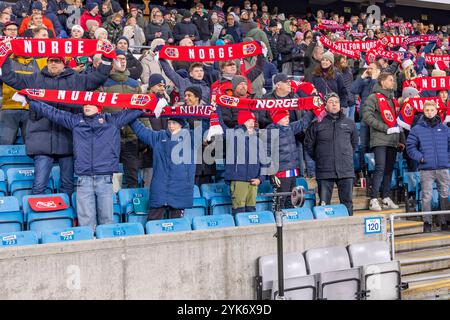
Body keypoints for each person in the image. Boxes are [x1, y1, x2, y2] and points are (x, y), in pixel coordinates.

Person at [0, 45, 113, 197]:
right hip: (41, 141)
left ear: (64, 63)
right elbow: (9, 76)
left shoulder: (76, 79)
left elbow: (99, 77)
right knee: (39, 185)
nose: (53, 64)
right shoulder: (35, 78)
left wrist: (107, 58)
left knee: (67, 184)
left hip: (67, 140)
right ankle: (38, 216)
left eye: (57, 61)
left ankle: (67, 217)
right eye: (51, 61)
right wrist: (4, 56)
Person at [25, 99, 143, 229]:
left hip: (105, 179)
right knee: (86, 224)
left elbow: (136, 110)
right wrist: (31, 101)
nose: (86, 106)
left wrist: (153, 101)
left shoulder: (111, 120)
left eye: (90, 104)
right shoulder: (75, 120)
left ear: (99, 107)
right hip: (83, 179)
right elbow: (53, 112)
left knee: (107, 221)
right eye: (85, 104)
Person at [98, 49, 150, 189]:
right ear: (111, 62)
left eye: (124, 59)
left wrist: (147, 135)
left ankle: (134, 206)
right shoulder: (102, 83)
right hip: (110, 137)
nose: (122, 61)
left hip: (131, 138)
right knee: (109, 175)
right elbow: (98, 110)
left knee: (132, 176)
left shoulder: (134, 84)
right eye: (118, 59)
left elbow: (142, 111)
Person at [131, 116, 196, 221]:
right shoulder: (159, 137)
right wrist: (131, 114)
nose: (171, 126)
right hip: (160, 188)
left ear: (181, 124)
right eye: (169, 123)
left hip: (180, 189)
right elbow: (141, 130)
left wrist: (214, 112)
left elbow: (207, 127)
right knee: (153, 223)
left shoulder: (191, 138)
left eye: (174, 123)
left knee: (178, 227)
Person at [304, 92, 357, 215]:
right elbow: (309, 146)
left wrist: (345, 155)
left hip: (345, 170)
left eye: (337, 102)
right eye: (331, 102)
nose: (334, 104)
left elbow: (353, 144)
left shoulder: (349, 123)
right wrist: (320, 157)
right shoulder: (316, 124)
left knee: (347, 203)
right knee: (323, 204)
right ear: (325, 105)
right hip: (324, 170)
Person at [363, 72, 404, 211]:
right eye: (391, 80)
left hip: (393, 140)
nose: (393, 82)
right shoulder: (373, 97)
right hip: (380, 139)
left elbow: (398, 121)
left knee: (388, 170)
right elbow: (367, 117)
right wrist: (386, 128)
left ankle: (386, 197)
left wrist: (400, 139)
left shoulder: (392, 99)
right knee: (380, 168)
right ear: (382, 82)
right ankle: (374, 199)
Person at [406, 101, 450, 232]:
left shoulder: (445, 129)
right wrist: (420, 157)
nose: (430, 112)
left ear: (436, 111)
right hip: (426, 169)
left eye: (432, 110)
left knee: (444, 195)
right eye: (427, 110)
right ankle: (427, 223)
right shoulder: (417, 129)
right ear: (423, 112)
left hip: (443, 168)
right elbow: (410, 147)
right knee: (426, 196)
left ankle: (444, 222)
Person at [265, 108, 311, 209]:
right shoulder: (270, 132)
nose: (288, 119)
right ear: (277, 119)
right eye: (285, 118)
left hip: (292, 171)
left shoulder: (290, 128)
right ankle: (278, 222)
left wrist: (312, 109)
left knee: (292, 201)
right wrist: (271, 173)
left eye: (288, 117)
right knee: (280, 201)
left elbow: (304, 122)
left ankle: (290, 223)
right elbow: (267, 153)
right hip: (281, 172)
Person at [225, 110, 264, 214]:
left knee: (251, 213)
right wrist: (216, 110)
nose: (252, 123)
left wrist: (260, 179)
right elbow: (220, 126)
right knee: (239, 212)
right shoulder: (234, 136)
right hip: (239, 181)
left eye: (253, 121)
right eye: (248, 121)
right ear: (242, 123)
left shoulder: (257, 140)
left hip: (254, 182)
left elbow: (264, 162)